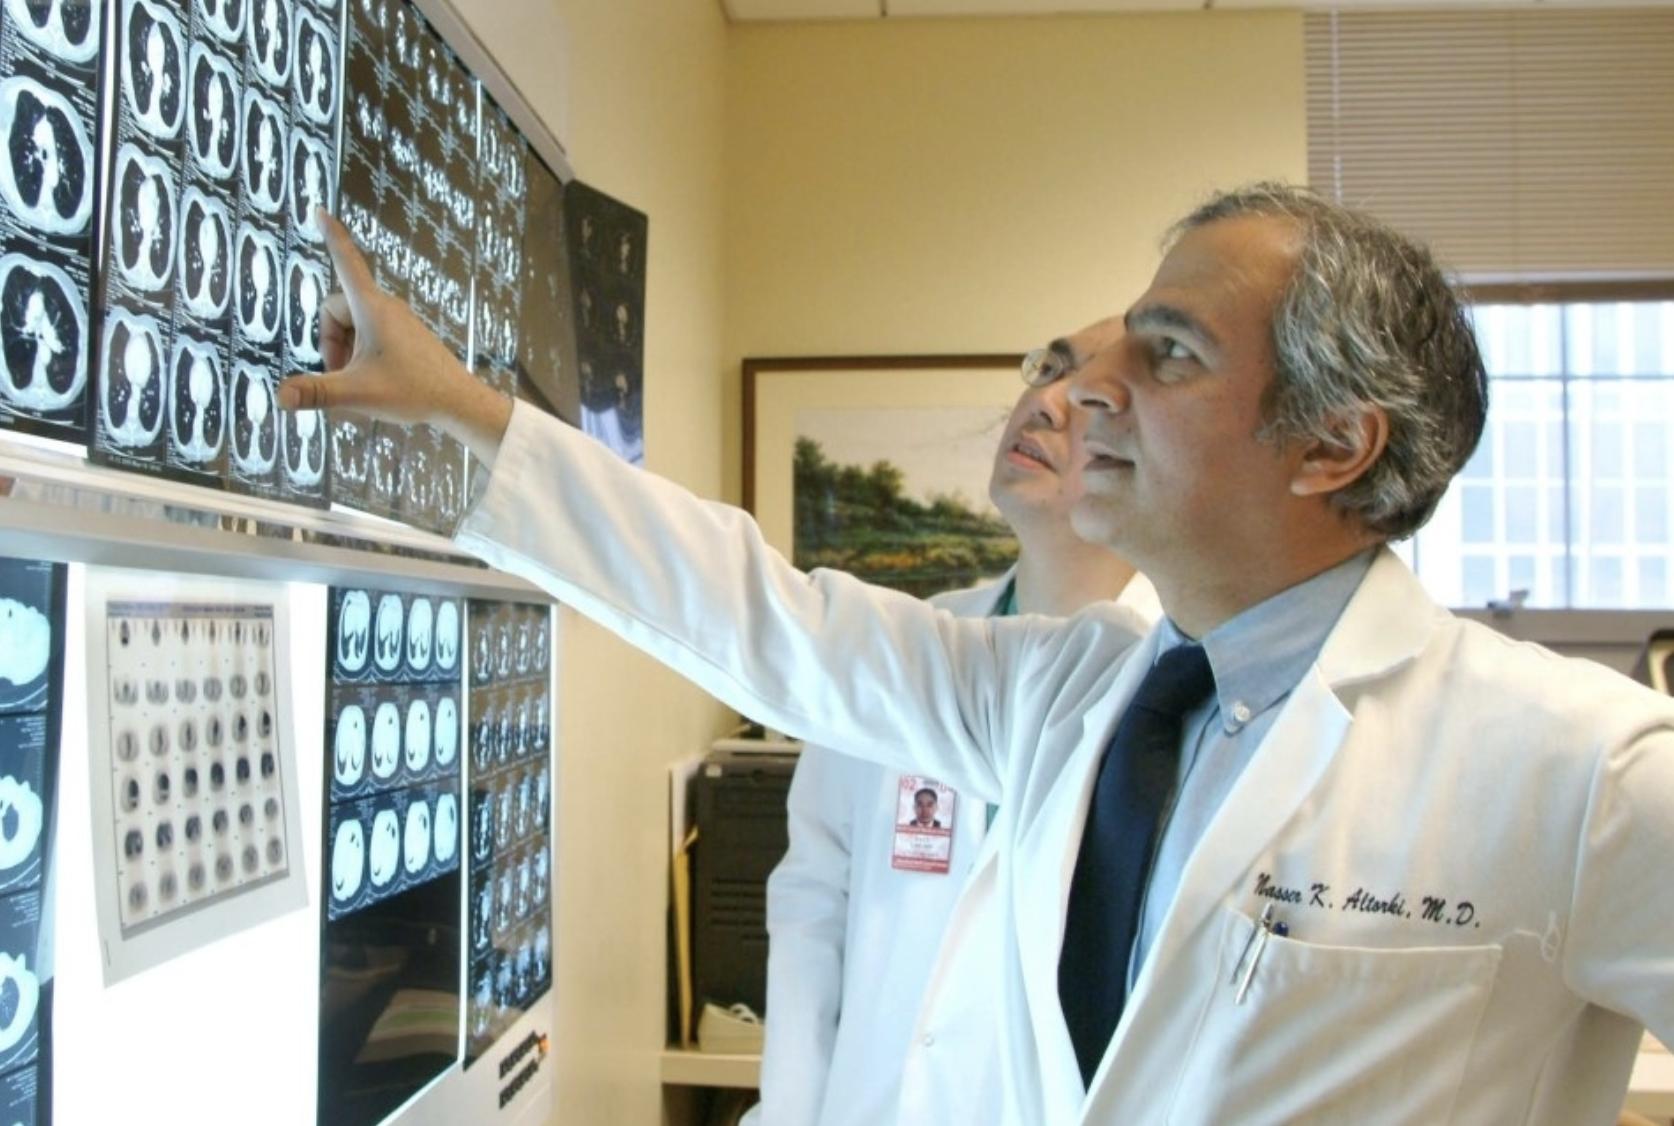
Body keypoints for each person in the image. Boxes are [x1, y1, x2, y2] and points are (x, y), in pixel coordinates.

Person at [281, 185, 1674, 1125]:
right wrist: (463, 410)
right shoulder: (1067, 693)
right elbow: (766, 618)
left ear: (1330, 444)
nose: (1087, 385)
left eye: (1169, 353)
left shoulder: (1578, 768)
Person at [748, 362, 1158, 1126]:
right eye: (1051, 368)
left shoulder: (1176, 686)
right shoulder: (904, 648)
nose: (1043, 403)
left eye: (1093, 397)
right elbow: (812, 901)